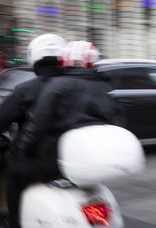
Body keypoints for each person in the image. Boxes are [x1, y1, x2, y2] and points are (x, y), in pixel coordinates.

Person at [6, 40, 125, 228]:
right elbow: (118, 126)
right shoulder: (104, 87)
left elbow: (35, 127)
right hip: (86, 162)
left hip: (51, 163)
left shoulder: (55, 86)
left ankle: (15, 223)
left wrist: (18, 153)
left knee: (13, 174)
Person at [0, 33, 67, 228]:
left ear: (34, 58)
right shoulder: (77, 85)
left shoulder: (25, 89)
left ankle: (15, 222)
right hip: (73, 162)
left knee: (13, 176)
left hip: (40, 162)